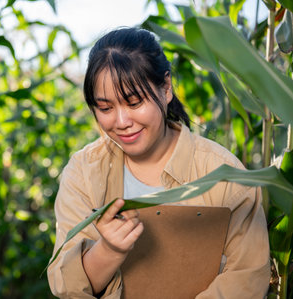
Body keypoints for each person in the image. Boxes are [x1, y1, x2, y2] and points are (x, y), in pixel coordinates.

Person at [47, 27, 271, 298]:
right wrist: (110, 250)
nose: (121, 122)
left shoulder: (226, 176)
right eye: (105, 108)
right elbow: (67, 287)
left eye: (134, 102)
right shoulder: (83, 172)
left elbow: (246, 279)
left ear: (165, 88)